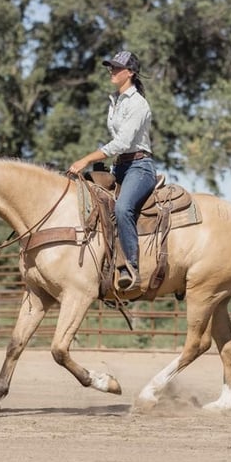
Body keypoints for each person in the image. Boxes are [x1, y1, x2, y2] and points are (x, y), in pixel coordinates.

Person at [67, 50, 156, 291]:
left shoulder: (138, 104)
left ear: (131, 73)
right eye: (111, 67)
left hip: (140, 166)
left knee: (122, 207)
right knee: (88, 195)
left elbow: (122, 143)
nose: (112, 71)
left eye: (117, 68)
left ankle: (131, 266)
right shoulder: (115, 101)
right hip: (121, 165)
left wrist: (85, 159)